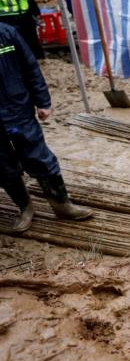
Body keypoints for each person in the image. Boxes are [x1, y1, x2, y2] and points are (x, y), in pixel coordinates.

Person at [0, 22, 93, 233]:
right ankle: (25, 207)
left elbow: (30, 67)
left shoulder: (7, 33)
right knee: (3, 166)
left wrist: (43, 101)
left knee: (39, 156)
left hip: (17, 110)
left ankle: (61, 205)